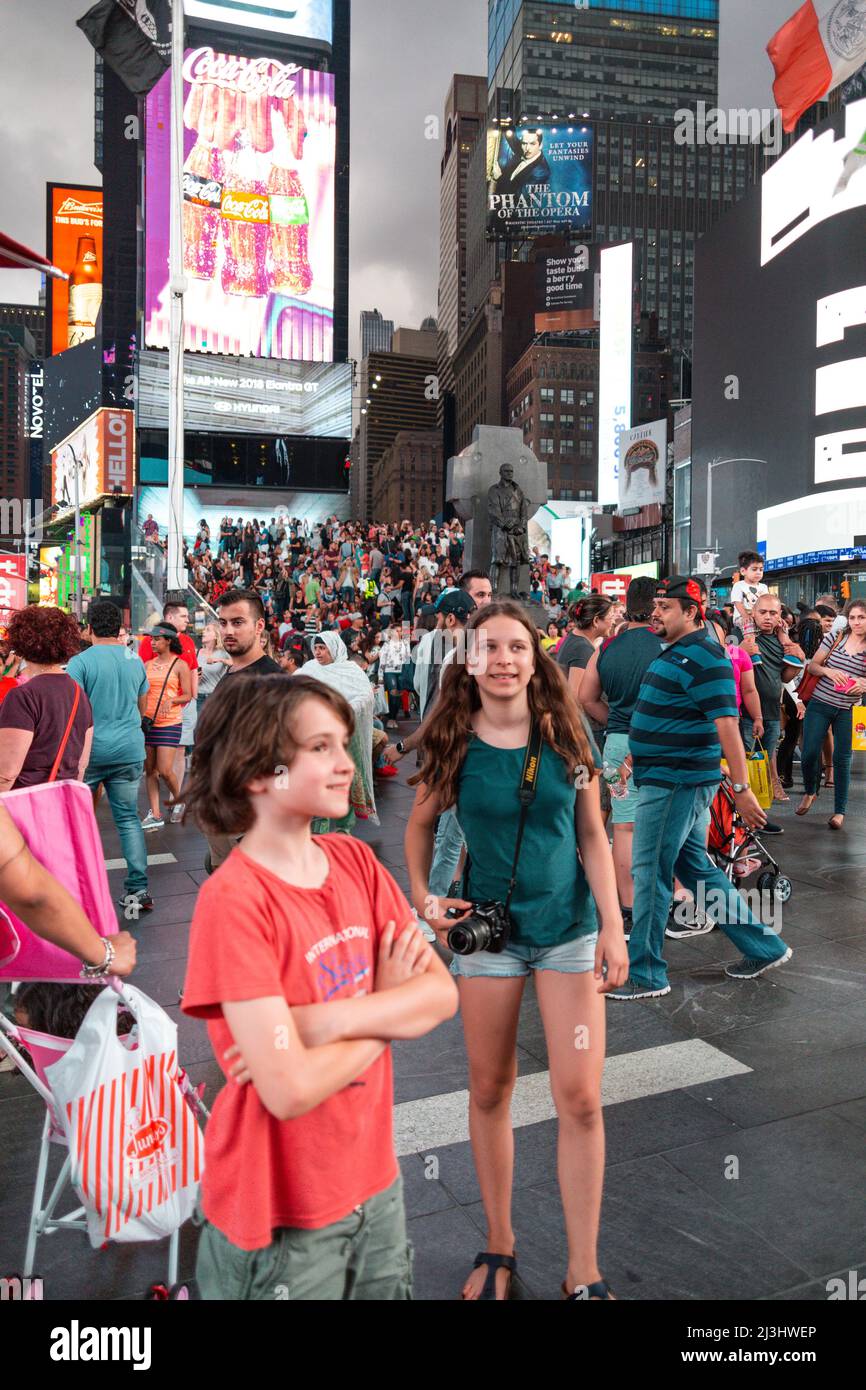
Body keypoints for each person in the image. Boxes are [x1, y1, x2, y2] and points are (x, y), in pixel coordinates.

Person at [180, 674, 457, 1300]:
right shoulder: (235, 901)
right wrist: (384, 1012)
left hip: (374, 1184)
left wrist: (322, 1022)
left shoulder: (356, 863)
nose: (346, 764)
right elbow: (288, 1089)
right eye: (322, 748)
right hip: (280, 1218)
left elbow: (441, 995)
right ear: (259, 772)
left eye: (344, 744)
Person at [405, 600, 628, 1301]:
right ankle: (499, 1245)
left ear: (537, 659)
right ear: (469, 662)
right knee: (490, 1089)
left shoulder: (568, 735)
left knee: (582, 1099)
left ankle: (583, 1269)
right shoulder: (455, 741)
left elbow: (592, 836)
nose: (503, 659)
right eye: (489, 648)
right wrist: (425, 897)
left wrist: (614, 925)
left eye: (516, 648)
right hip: (490, 941)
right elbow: (419, 826)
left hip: (567, 932)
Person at [607, 577, 793, 1001]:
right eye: (654, 605)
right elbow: (665, 717)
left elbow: (727, 723)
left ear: (691, 611)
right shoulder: (674, 652)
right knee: (693, 867)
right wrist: (634, 759)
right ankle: (764, 946)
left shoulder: (705, 657)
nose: (655, 612)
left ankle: (647, 973)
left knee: (650, 870)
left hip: (677, 782)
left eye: (664, 607)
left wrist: (743, 788)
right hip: (669, 778)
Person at [578, 578, 662, 937]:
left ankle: (627, 912)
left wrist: (612, 721)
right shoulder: (666, 644)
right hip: (661, 743)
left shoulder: (607, 646)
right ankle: (666, 904)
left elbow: (586, 696)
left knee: (623, 828)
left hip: (616, 745)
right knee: (666, 825)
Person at [67, 600, 153, 914]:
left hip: (89, 753)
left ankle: (80, 889)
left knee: (79, 820)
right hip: (130, 749)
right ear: (118, 628)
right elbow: (142, 706)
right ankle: (138, 890)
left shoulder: (80, 662)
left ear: (89, 628)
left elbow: (74, 712)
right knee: (129, 819)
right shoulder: (134, 660)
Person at [0, 607, 93, 791]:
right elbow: (81, 765)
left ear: (22, 643)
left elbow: (6, 774)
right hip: (61, 803)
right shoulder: (78, 693)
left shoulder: (23, 696)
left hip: (24, 806)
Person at [796, 599, 866, 829]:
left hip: (847, 710)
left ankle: (839, 812)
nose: (856, 622)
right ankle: (810, 790)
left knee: (842, 760)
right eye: (853, 617)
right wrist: (829, 670)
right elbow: (812, 666)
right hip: (819, 703)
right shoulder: (835, 637)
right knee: (809, 753)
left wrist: (863, 684)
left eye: (861, 617)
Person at [298, 631, 378, 832]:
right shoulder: (308, 669)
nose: (317, 652)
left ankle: (344, 826)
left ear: (334, 648)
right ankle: (320, 827)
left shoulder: (350, 670)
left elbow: (366, 696)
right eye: (316, 648)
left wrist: (346, 710)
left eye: (322, 648)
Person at [740, 594, 806, 812]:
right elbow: (728, 666)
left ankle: (759, 811)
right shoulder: (746, 639)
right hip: (746, 714)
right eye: (763, 612)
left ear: (780, 617)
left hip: (771, 713)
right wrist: (741, 650)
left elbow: (785, 677)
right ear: (753, 614)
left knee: (766, 760)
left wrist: (798, 661)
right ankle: (740, 810)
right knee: (744, 762)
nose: (768, 617)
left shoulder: (782, 643)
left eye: (773, 613)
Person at [142, 623, 193, 831]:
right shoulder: (148, 665)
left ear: (168, 641)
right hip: (148, 722)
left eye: (156, 639)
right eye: (152, 639)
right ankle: (155, 813)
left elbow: (188, 695)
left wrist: (172, 701)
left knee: (164, 769)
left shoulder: (180, 665)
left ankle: (179, 799)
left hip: (170, 722)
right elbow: (142, 692)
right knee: (150, 771)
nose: (152, 642)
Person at [216, 589, 282, 676]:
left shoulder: (275, 680)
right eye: (223, 623)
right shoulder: (233, 670)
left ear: (259, 626)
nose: (229, 632)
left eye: (237, 623)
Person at [730, 551, 769, 640]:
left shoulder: (764, 587)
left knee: (779, 623)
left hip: (759, 617)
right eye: (754, 569)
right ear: (743, 571)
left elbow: (768, 603)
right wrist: (745, 616)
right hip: (741, 617)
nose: (758, 572)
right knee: (749, 624)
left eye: (761, 569)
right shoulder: (739, 585)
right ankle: (750, 643)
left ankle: (786, 643)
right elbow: (737, 602)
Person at [197, 622, 230, 713]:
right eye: (204, 630)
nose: (203, 632)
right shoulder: (197, 652)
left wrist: (218, 660)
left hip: (216, 697)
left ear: (216, 635)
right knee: (200, 726)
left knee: (216, 726)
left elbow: (235, 663)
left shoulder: (223, 653)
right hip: (198, 697)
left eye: (208, 630)